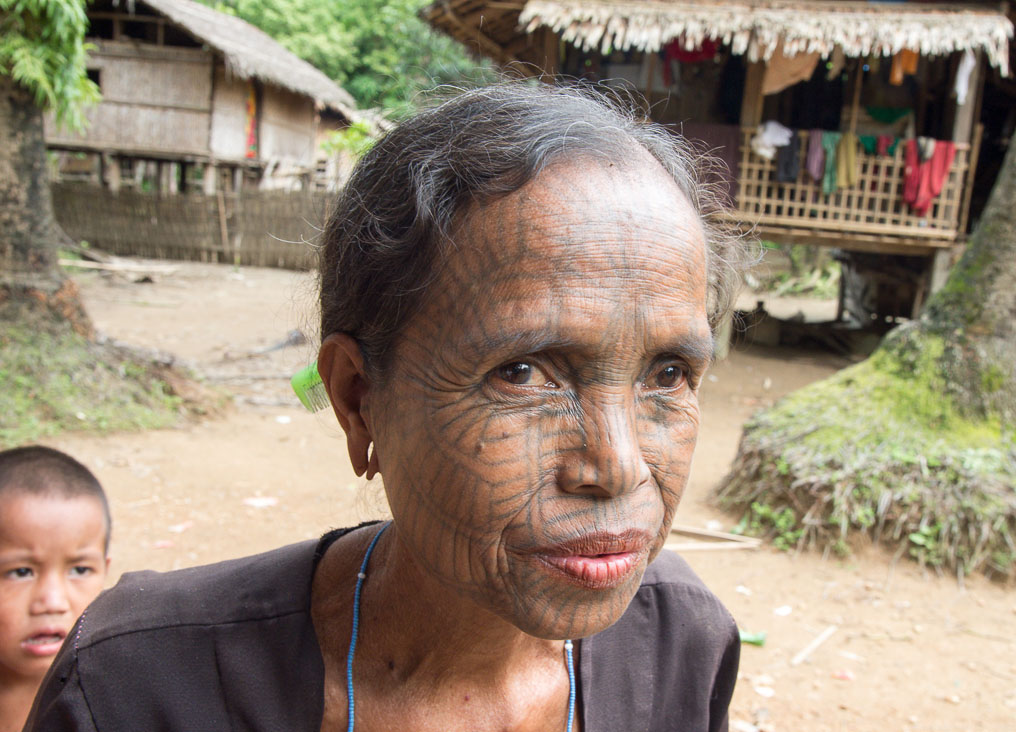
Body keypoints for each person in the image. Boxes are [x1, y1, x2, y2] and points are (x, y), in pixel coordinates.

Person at [27, 83, 745, 731]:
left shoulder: (681, 644)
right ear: (358, 397)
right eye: (524, 372)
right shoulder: (136, 687)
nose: (619, 469)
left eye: (669, 373)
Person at [0, 446, 110, 732]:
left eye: (80, 570)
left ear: (105, 572)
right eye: (21, 572)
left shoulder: (115, 694)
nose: (53, 602)